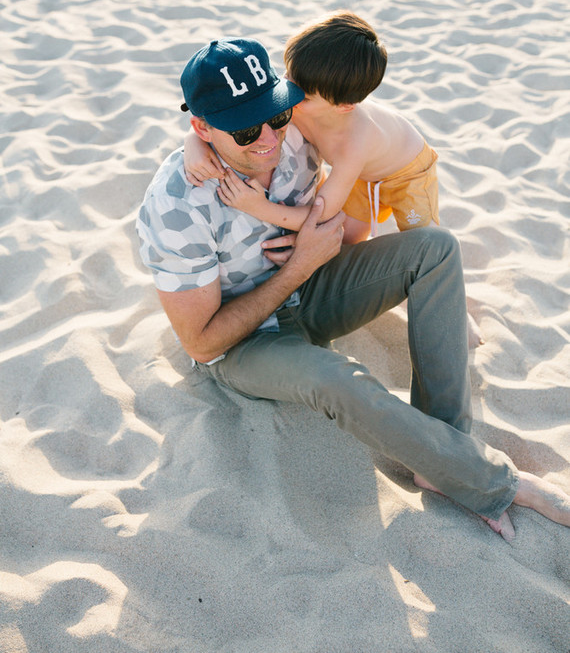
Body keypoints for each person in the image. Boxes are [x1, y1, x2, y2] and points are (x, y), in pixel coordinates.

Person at [136, 36, 570, 542]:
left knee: (435, 248)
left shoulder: (291, 130)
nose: (269, 141)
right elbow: (202, 342)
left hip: (314, 289)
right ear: (202, 127)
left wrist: (312, 260)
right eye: (246, 129)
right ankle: (490, 480)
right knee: (338, 377)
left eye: (274, 117)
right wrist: (300, 266)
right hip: (245, 343)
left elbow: (365, 120)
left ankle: (443, 459)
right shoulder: (176, 207)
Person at [183, 11, 437, 245]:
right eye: (288, 77)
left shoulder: (355, 142)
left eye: (302, 96)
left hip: (408, 174)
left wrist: (260, 208)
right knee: (348, 241)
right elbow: (234, 118)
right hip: (359, 178)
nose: (289, 93)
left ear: (344, 106)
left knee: (424, 244)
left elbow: (323, 212)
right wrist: (194, 141)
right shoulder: (302, 99)